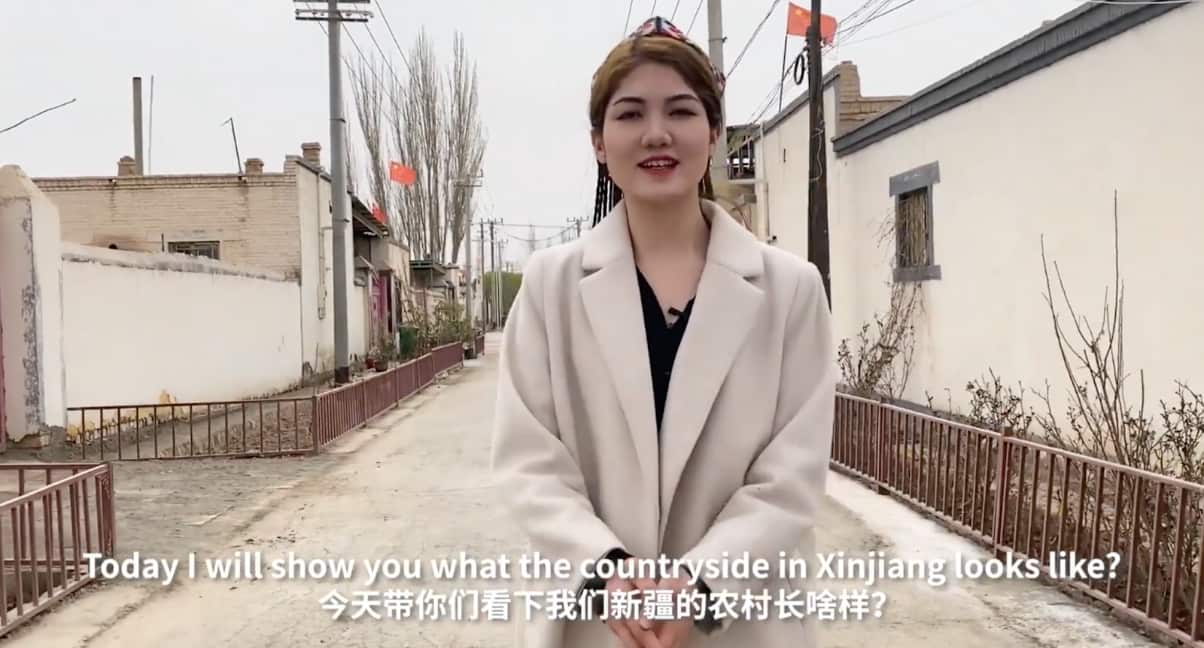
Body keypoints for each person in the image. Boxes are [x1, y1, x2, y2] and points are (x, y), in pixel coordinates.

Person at [490, 16, 836, 648]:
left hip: (740, 622)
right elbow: (530, 463)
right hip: (598, 623)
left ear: (714, 132)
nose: (656, 134)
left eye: (680, 111)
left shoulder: (791, 291)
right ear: (598, 141)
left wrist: (700, 585)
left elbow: (792, 475)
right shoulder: (550, 287)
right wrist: (608, 572)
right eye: (628, 115)